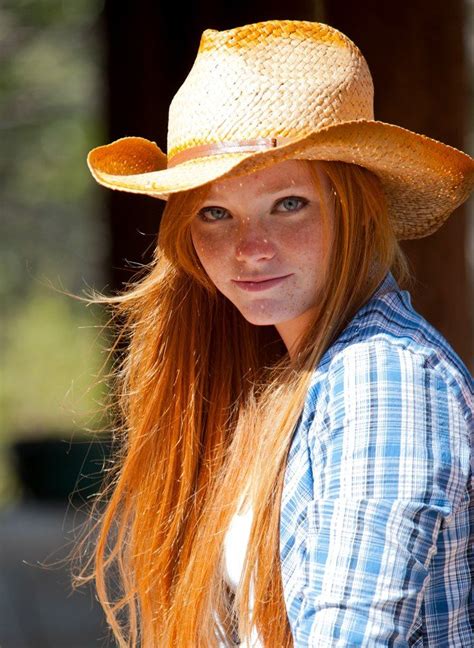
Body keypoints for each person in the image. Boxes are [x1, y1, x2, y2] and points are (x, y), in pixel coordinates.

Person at [79, 20, 473, 647]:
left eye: (288, 202)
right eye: (215, 213)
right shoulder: (281, 379)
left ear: (355, 204)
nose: (249, 249)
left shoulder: (381, 377)